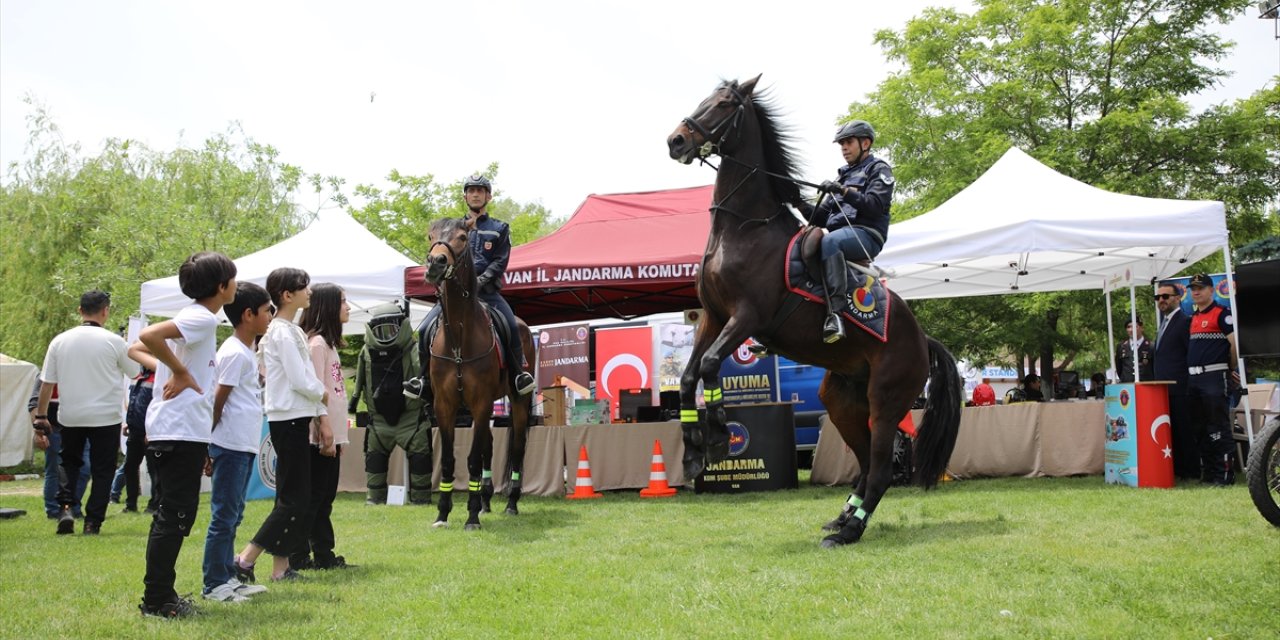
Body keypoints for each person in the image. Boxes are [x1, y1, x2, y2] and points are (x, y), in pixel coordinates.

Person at [128, 252, 238, 618]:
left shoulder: (194, 318)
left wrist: (174, 369)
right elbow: (145, 336)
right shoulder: (201, 318)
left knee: (171, 515)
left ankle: (161, 594)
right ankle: (158, 600)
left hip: (175, 430)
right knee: (174, 516)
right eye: (233, 280)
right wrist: (179, 371)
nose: (235, 286)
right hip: (178, 431)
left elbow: (138, 348)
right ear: (221, 287)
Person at [236, 267, 328, 584]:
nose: (310, 292)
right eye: (305, 287)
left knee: (289, 497)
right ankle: (245, 559)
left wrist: (316, 402)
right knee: (294, 499)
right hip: (286, 418)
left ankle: (280, 568)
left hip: (294, 416)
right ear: (288, 295)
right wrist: (322, 393)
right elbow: (299, 377)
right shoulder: (281, 332)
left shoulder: (291, 330)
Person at [406, 174, 535, 398]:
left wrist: (481, 281)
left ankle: (517, 376)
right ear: (465, 196)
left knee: (513, 328)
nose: (475, 194)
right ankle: (423, 379)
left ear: (489, 196)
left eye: (480, 190)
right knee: (426, 329)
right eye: (471, 190)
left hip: (488, 294)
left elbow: (500, 261)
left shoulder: (500, 228)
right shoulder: (451, 228)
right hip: (455, 296)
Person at [33, 290, 140, 536]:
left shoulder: (60, 341)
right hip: (106, 417)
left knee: (68, 463)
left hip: (71, 415)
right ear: (106, 311)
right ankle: (93, 522)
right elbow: (134, 373)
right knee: (103, 469)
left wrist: (40, 417)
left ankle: (66, 508)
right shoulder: (115, 342)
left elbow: (47, 383)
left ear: (80, 310)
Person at [201, 282, 273, 603]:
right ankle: (214, 584)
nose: (270, 316)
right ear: (248, 315)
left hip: (242, 446)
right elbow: (217, 403)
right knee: (224, 516)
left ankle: (228, 577)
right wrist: (206, 445)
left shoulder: (246, 352)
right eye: (266, 310)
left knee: (235, 514)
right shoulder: (232, 353)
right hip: (228, 446)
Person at [810, 120, 895, 343]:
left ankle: (835, 315)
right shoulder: (843, 176)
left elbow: (875, 205)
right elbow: (820, 218)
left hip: (867, 235)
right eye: (842, 144)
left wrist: (843, 191)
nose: (844, 148)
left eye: (848, 142)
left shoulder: (879, 169)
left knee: (831, 242)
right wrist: (796, 201)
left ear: (865, 143)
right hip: (842, 233)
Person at [292, 283, 354, 571]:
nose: (348, 306)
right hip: (319, 435)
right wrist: (325, 432)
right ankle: (302, 556)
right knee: (315, 498)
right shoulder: (315, 345)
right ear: (329, 306)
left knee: (324, 497)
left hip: (333, 434)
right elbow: (315, 391)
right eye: (343, 301)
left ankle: (323, 555)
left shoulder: (328, 344)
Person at [351, 302, 432, 506]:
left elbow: (424, 377)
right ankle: (375, 497)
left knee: (421, 459)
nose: (386, 335)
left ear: (401, 326)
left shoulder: (414, 349)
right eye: (381, 331)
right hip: (379, 422)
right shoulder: (366, 352)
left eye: (391, 330)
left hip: (411, 419)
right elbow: (360, 379)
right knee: (374, 461)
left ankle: (421, 498)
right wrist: (353, 401)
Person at [1184, 273, 1237, 485]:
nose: (1196, 292)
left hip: (1214, 377)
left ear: (1211, 290)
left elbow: (1235, 345)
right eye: (1193, 288)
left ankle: (1224, 475)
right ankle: (1209, 474)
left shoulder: (1222, 314)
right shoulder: (1193, 317)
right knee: (1200, 428)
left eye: (1200, 288)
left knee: (1218, 426)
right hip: (1194, 380)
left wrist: (1229, 367)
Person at [1152, 281, 1195, 480]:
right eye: (1158, 297)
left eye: (1165, 296)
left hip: (1180, 386)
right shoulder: (1163, 323)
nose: (1161, 300)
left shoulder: (1184, 321)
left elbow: (1190, 355)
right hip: (1163, 388)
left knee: (1183, 429)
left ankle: (1189, 470)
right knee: (1173, 431)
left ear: (1177, 298)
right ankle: (1177, 469)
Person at [28, 381, 89, 519]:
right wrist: (39, 431)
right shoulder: (47, 371)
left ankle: (73, 507)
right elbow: (33, 403)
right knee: (54, 469)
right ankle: (54, 510)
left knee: (84, 468)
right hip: (54, 427)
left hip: (79, 425)